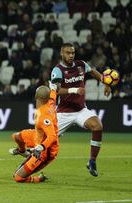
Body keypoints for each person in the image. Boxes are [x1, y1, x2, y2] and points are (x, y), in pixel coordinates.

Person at [50, 43, 111, 177]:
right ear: (62, 53)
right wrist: (74, 90)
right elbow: (56, 90)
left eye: (72, 53)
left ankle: (92, 161)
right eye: (68, 53)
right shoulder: (58, 70)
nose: (71, 55)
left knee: (97, 126)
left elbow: (93, 72)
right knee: (45, 143)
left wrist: (106, 83)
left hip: (81, 111)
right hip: (63, 113)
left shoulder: (81, 65)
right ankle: (27, 161)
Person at [10, 84, 59, 183]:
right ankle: (23, 151)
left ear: (36, 96)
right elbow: (53, 94)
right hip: (37, 135)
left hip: (45, 150)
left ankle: (38, 178)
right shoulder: (51, 102)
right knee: (16, 136)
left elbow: (52, 136)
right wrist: (53, 88)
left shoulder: (44, 116)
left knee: (18, 177)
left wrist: (41, 147)